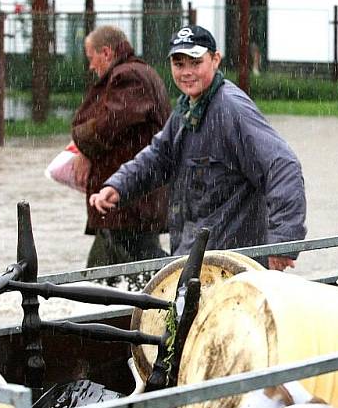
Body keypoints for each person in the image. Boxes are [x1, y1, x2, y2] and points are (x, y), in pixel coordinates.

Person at [89, 25, 307, 270]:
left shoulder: (231, 109)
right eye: (179, 64)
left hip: (231, 266)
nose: (186, 72)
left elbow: (283, 166)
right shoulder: (187, 107)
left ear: (215, 60)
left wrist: (281, 244)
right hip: (194, 260)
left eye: (195, 62)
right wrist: (118, 185)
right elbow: (158, 156)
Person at [71, 25, 171, 267]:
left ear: (106, 52)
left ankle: (197, 287)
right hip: (127, 205)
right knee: (113, 275)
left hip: (129, 205)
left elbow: (107, 126)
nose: (91, 66)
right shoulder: (136, 73)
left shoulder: (129, 77)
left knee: (136, 269)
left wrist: (82, 143)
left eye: (91, 57)